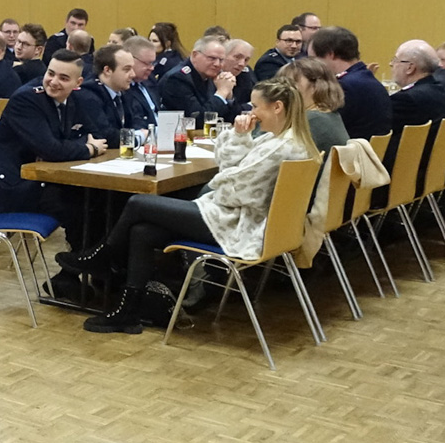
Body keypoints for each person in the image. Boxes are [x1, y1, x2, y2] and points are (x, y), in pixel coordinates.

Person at [61, 77, 319, 333]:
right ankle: (127, 311)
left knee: (138, 202)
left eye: (255, 106)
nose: (250, 113)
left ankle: (104, 257)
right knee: (142, 231)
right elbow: (233, 172)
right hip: (245, 220)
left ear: (277, 107)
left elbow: (233, 192)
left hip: (238, 225)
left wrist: (224, 175)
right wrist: (240, 137)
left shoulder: (280, 147)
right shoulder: (284, 141)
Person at [0, 51, 106, 282]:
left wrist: (70, 146)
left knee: (101, 200)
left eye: (63, 78)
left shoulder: (73, 99)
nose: (54, 82)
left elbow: (94, 134)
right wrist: (88, 149)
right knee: (80, 206)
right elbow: (53, 149)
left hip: (43, 178)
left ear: (77, 83)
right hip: (11, 185)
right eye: (50, 73)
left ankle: (95, 273)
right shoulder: (26, 100)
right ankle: (72, 277)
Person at [381, 39, 445, 203]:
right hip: (435, 173)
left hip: (403, 179)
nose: (391, 64)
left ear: (410, 67)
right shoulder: (440, 90)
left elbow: (379, 131)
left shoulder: (407, 100)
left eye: (396, 60)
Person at [308, 26, 392, 140]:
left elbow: (323, 128)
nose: (311, 65)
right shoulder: (368, 78)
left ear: (330, 54)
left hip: (350, 149)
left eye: (312, 59)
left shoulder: (345, 87)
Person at [158, 35, 242, 119]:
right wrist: (222, 92)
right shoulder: (177, 79)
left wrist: (228, 96)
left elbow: (233, 119)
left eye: (221, 60)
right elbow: (197, 119)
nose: (217, 64)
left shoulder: (211, 76)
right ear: (195, 55)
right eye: (212, 58)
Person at [277, 58, 350, 153]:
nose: (283, 91)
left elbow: (268, 153)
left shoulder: (311, 119)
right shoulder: (329, 115)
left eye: (292, 84)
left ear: (315, 86)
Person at [77, 44, 145, 141]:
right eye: (127, 69)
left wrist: (142, 131)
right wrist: (138, 138)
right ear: (107, 70)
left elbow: (136, 120)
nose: (133, 74)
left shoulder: (124, 91)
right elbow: (105, 134)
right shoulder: (88, 95)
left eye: (132, 69)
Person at [123, 36, 163, 128]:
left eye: (152, 63)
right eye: (147, 63)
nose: (152, 68)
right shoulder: (123, 88)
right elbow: (136, 124)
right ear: (130, 59)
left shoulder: (150, 80)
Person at [224, 38, 256, 108]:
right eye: (237, 57)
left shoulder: (245, 76)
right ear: (223, 55)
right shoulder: (210, 76)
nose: (242, 64)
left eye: (246, 60)